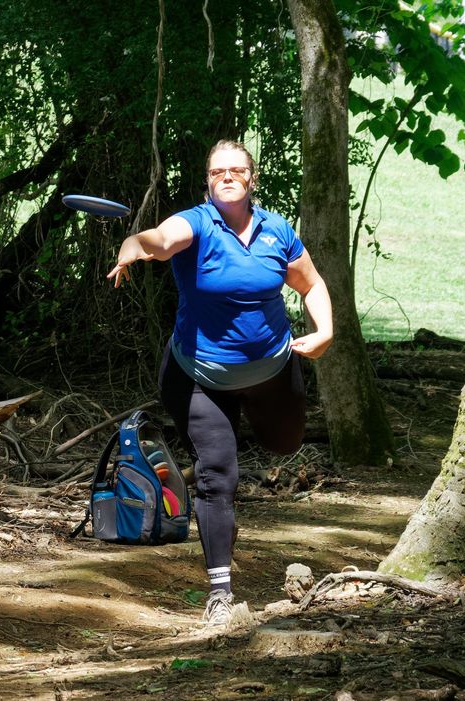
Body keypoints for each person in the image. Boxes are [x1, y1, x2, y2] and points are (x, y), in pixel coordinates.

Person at [108, 139, 333, 627]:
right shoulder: (196, 223)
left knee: (283, 443)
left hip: (272, 369)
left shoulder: (276, 230)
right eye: (217, 172)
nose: (227, 177)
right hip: (199, 376)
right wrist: (131, 249)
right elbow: (159, 241)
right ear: (207, 180)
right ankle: (219, 592)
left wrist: (325, 332)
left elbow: (310, 284)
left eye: (236, 170)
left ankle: (241, 448)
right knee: (217, 477)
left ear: (252, 177)